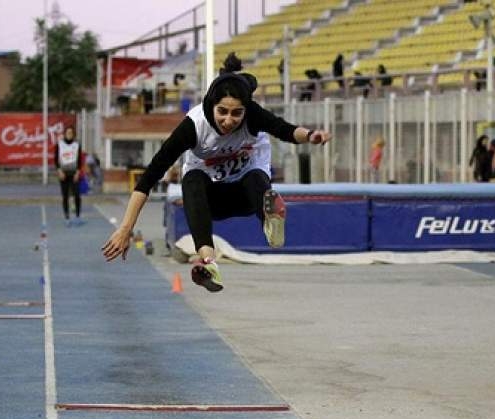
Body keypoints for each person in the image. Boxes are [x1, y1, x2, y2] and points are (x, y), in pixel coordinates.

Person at [101, 52, 331, 292]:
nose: (229, 120)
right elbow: (149, 177)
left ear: (245, 110)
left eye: (236, 113)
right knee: (191, 180)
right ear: (211, 105)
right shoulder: (193, 127)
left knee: (255, 178)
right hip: (210, 197)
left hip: (247, 190)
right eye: (222, 111)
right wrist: (126, 228)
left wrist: (311, 136)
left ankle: (270, 220)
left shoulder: (253, 114)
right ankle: (208, 261)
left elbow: (285, 130)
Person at [55, 126, 84, 226]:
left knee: (77, 195)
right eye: (67, 133)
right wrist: (59, 171)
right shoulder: (60, 144)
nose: (69, 134)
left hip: (74, 172)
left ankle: (77, 216)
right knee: (65, 196)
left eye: (71, 133)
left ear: (73, 134)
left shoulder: (76, 145)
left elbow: (80, 160)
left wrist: (78, 172)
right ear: (65, 134)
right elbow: (56, 159)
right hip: (63, 173)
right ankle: (67, 217)